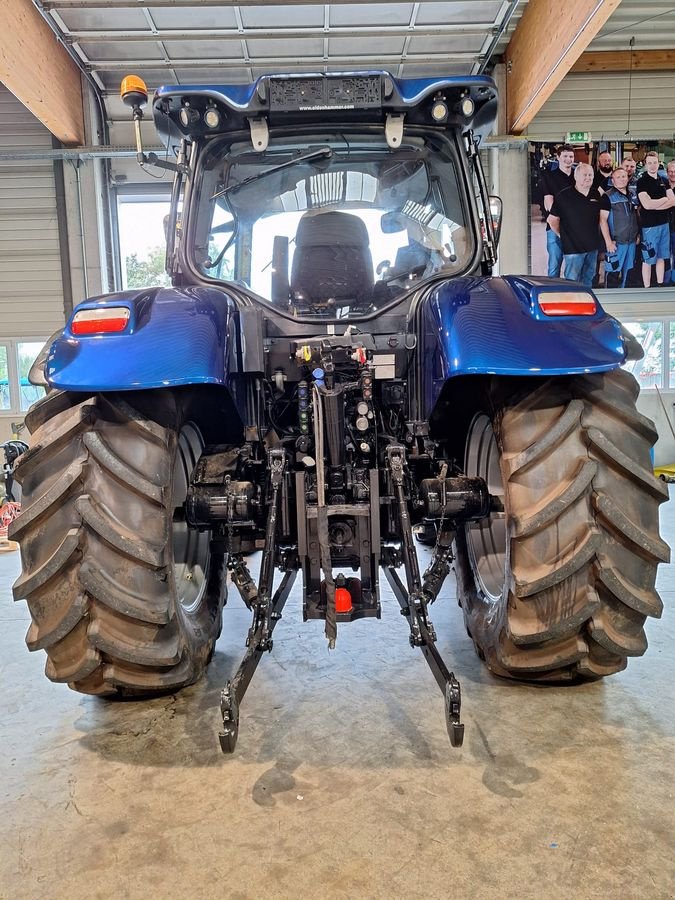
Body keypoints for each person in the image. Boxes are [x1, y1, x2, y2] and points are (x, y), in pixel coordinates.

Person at [548, 163, 602, 286]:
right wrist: (563, 236)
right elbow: (552, 220)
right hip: (573, 248)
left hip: (592, 247)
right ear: (576, 177)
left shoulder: (596, 195)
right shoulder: (563, 195)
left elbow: (600, 219)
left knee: (588, 278)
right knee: (572, 281)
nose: (588, 178)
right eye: (585, 175)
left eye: (590, 175)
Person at [636, 151, 675, 287]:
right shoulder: (642, 181)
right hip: (649, 226)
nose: (652, 166)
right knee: (648, 257)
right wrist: (664, 201)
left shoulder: (664, 180)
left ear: (659, 163)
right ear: (646, 164)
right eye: (650, 163)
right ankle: (647, 286)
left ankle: (659, 284)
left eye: (655, 162)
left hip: (664, 224)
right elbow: (646, 205)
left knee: (661, 256)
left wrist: (655, 204)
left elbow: (673, 200)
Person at [599, 168, 640, 288]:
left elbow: (636, 216)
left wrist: (638, 234)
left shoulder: (632, 195)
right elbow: (602, 220)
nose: (622, 180)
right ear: (613, 180)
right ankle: (609, 302)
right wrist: (608, 242)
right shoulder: (608, 197)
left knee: (629, 274)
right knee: (613, 273)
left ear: (628, 178)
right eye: (618, 177)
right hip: (616, 244)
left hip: (631, 242)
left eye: (624, 177)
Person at [542, 144, 575, 278]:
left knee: (573, 264)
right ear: (558, 157)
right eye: (565, 156)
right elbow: (548, 202)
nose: (568, 159)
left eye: (571, 156)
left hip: (574, 226)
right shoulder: (550, 176)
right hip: (555, 226)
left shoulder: (577, 176)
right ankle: (552, 291)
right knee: (554, 265)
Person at [667, 160, 675, 283]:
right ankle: (665, 281)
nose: (673, 174)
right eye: (670, 171)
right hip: (664, 227)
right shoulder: (662, 185)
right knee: (664, 256)